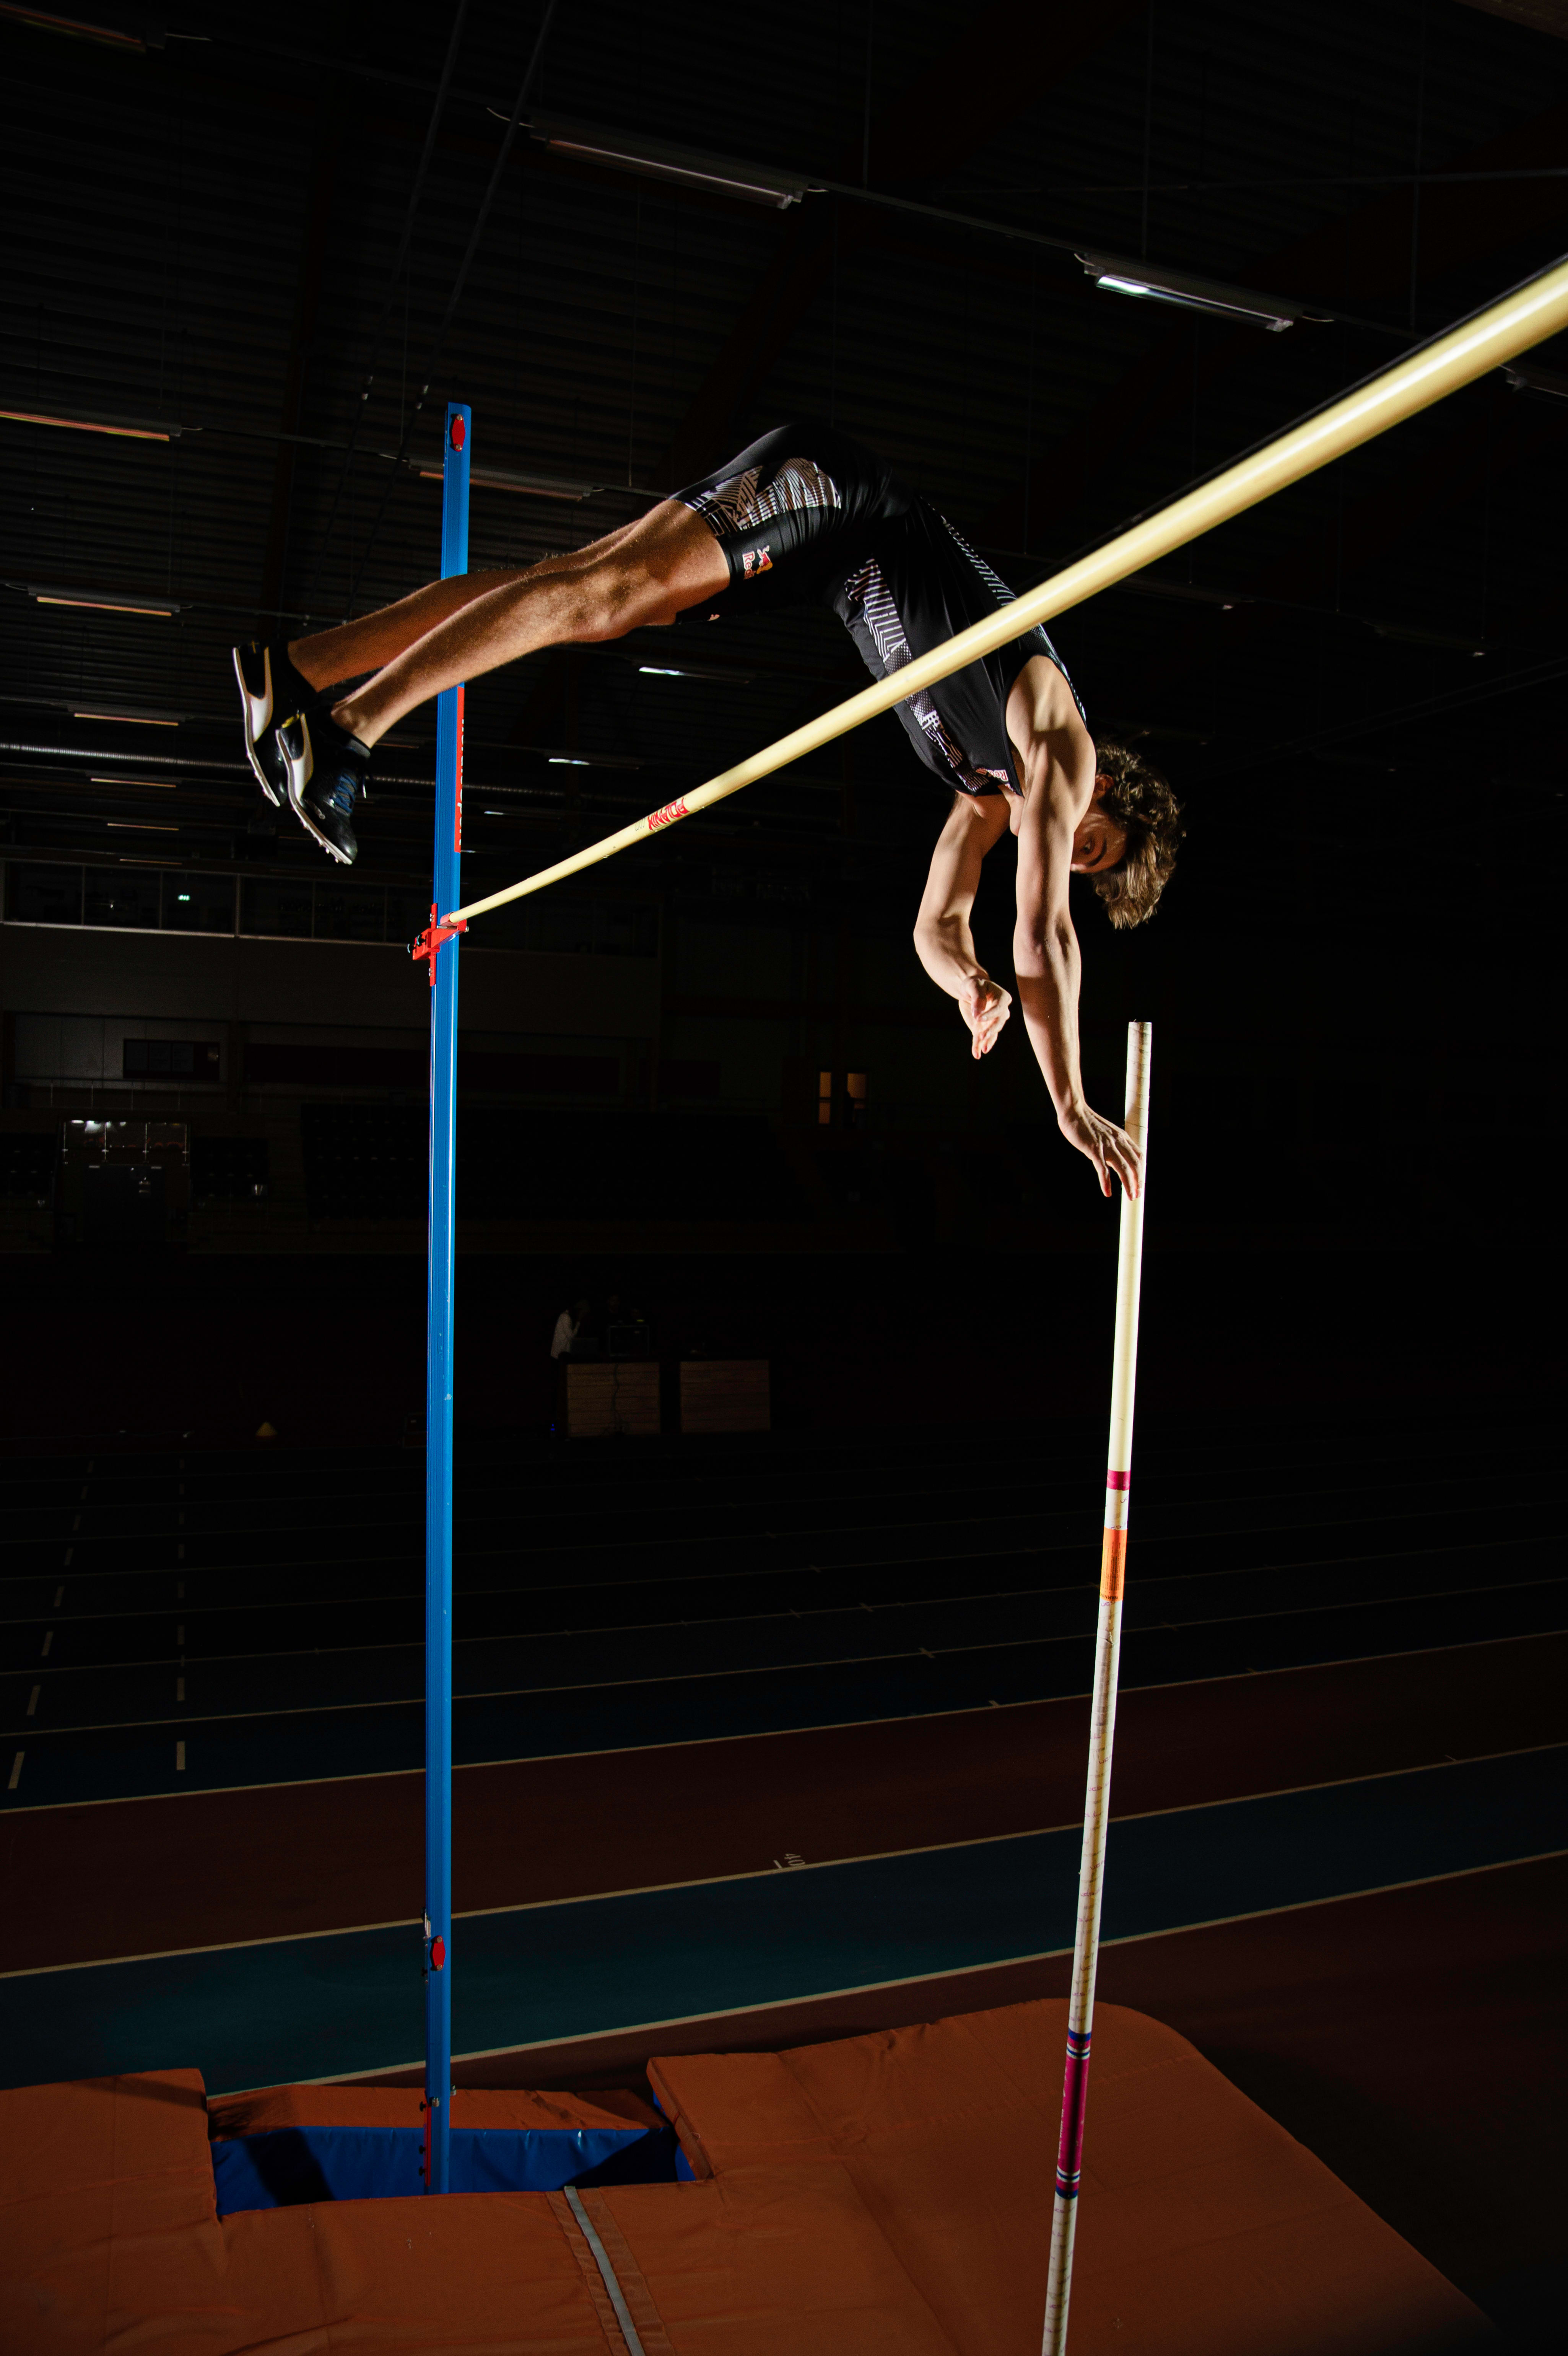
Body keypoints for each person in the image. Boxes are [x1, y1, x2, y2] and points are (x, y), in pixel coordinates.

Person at [232, 425, 1182, 1196]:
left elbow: (937, 921)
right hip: (838, 501)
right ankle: (350, 731)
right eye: (1086, 846)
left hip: (818, 563)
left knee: (580, 594)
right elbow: (1043, 930)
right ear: (1102, 792)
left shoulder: (985, 788)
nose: (1058, 855)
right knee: (603, 596)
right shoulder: (1059, 740)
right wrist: (1067, 1096)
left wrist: (965, 985)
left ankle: (300, 672)